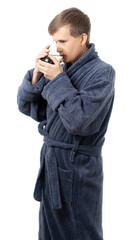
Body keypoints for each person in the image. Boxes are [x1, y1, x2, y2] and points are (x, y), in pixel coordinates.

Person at [17, 7, 115, 240]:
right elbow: (30, 108)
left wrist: (58, 78)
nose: (57, 47)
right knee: (49, 233)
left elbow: (79, 122)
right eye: (54, 41)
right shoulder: (62, 69)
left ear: (83, 38)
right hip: (52, 166)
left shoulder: (102, 73)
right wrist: (37, 77)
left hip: (79, 168)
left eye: (63, 40)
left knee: (81, 232)